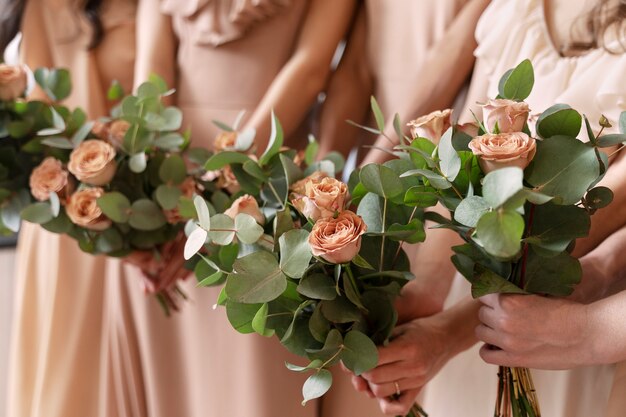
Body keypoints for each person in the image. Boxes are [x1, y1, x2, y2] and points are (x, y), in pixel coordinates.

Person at [100, 2, 387, 417]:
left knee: (253, 387)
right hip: (169, 190)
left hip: (260, 184)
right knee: (165, 382)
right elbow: (151, 75)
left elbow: (309, 69)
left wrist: (221, 198)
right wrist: (151, 196)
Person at [350, 0, 626, 415]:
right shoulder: (513, 10)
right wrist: (428, 295)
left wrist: (451, 333)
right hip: (478, 301)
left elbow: (586, 221)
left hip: (563, 317)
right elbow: (461, 170)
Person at [3, 1, 150, 416]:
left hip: (149, 212)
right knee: (73, 384)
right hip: (70, 222)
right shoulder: (46, 10)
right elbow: (39, 126)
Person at [318, 0, 491, 164]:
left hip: (436, 162)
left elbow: (455, 52)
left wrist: (376, 172)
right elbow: (357, 66)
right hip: (374, 154)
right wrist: (325, 169)